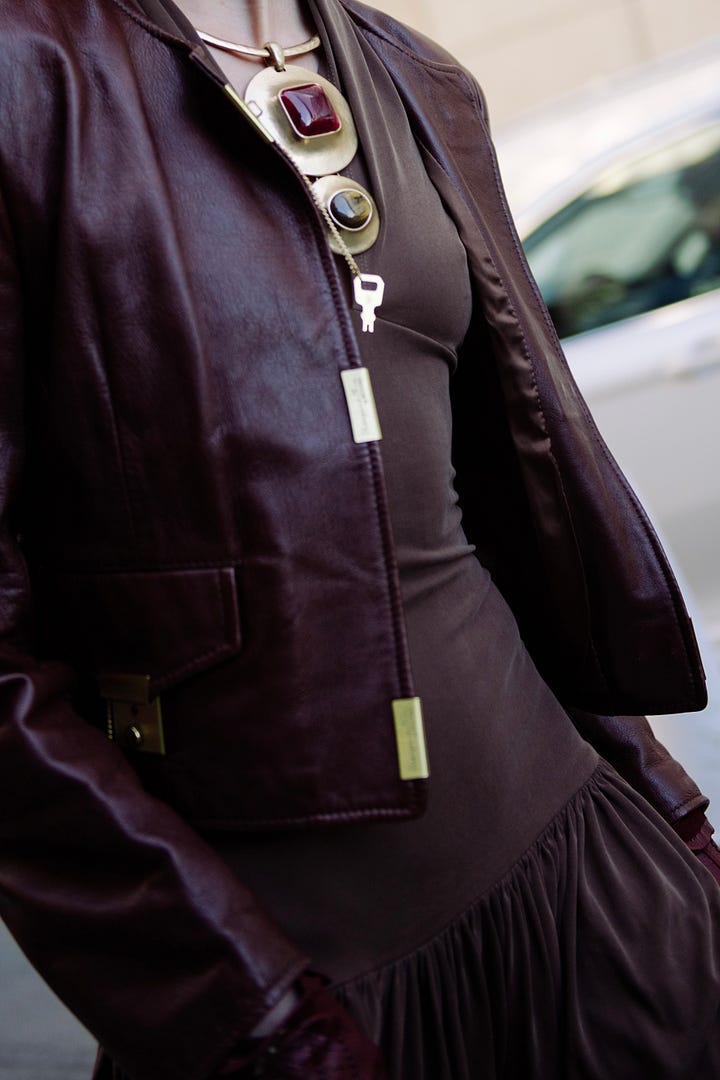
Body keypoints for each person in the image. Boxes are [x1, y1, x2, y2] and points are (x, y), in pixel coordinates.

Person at [0, 0, 719, 1077]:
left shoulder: (410, 71)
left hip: (595, 886)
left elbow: (517, 523)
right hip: (311, 995)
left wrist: (672, 816)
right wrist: (251, 1022)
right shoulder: (26, 73)